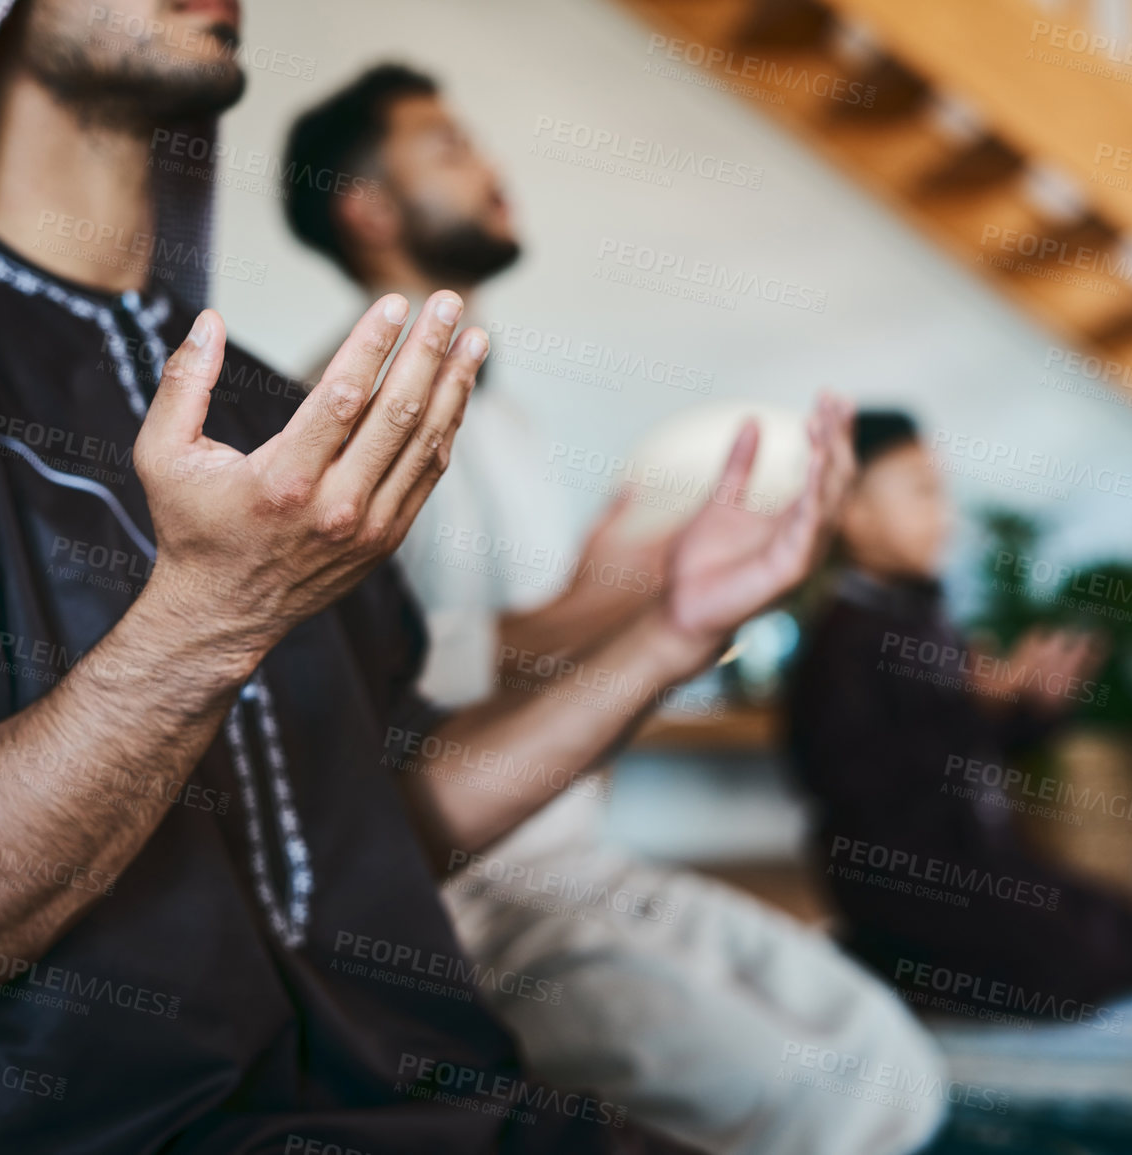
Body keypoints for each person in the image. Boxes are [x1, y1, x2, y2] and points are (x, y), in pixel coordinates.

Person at [0, 2, 858, 1151]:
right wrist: (211, 615)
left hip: (428, 1100)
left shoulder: (265, 408)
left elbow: (380, 822)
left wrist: (666, 633)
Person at [282, 65, 950, 1155]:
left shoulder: (508, 421)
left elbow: (523, 634)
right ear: (366, 209)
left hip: (578, 853)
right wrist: (621, 604)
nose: (492, 168)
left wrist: (659, 591)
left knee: (886, 1059)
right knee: (829, 1106)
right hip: (463, 892)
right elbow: (396, 680)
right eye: (447, 148)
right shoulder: (348, 415)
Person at [786, 411, 1132, 1022]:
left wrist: (1031, 708)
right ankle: (878, 962)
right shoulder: (844, 638)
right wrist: (972, 709)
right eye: (920, 491)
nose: (944, 515)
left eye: (941, 493)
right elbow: (857, 782)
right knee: (1075, 968)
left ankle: (900, 967)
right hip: (905, 881)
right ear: (852, 513)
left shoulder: (922, 616)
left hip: (980, 865)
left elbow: (975, 750)